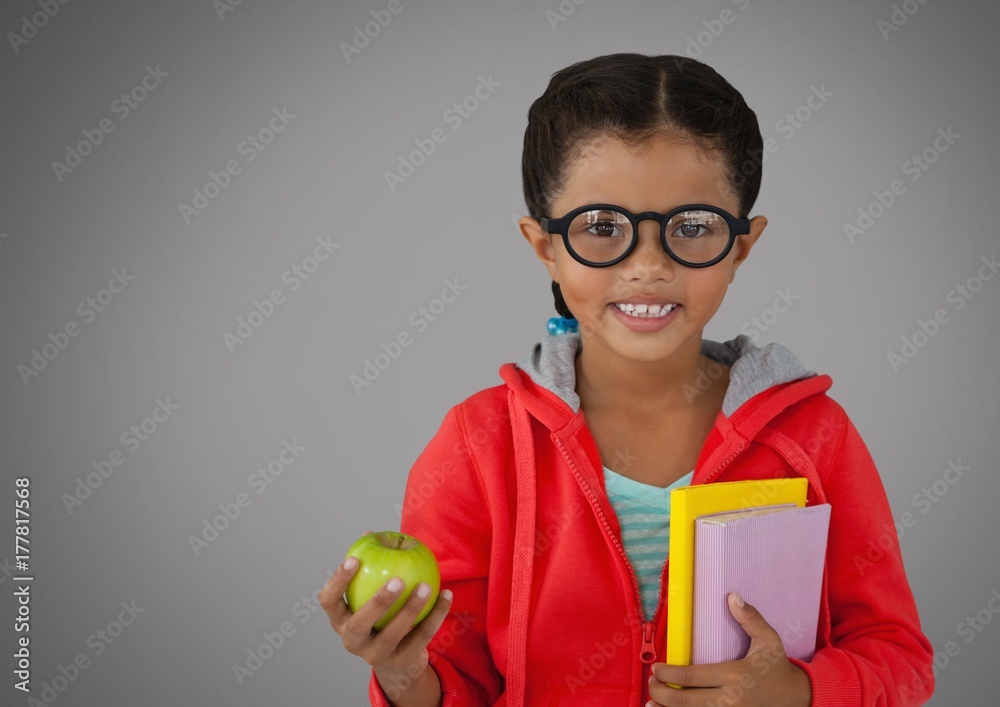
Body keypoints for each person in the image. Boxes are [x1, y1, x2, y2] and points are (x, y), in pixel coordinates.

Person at [320, 52, 935, 707]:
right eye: (602, 227)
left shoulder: (815, 436)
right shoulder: (478, 443)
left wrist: (802, 693)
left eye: (693, 227)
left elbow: (900, 659)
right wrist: (404, 673)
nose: (647, 266)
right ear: (544, 246)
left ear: (743, 246)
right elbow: (456, 683)